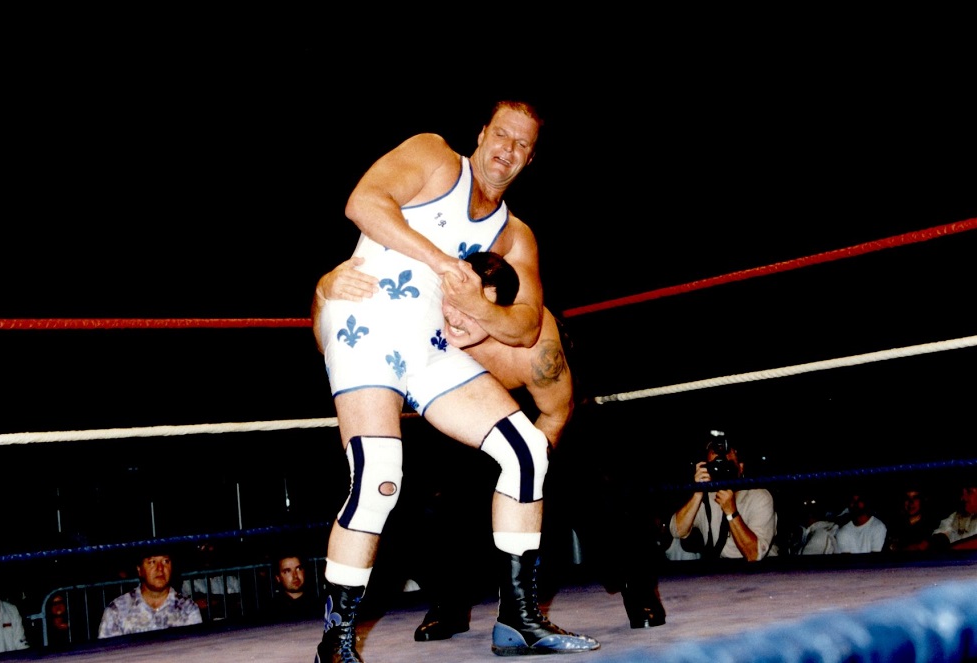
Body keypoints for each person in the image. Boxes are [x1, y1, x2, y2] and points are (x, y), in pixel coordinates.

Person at [312, 99, 598, 661]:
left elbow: (524, 325)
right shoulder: (433, 156)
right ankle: (336, 644)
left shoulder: (514, 235)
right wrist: (444, 264)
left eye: (521, 145)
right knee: (378, 478)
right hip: (365, 325)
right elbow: (362, 203)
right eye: (502, 135)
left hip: (429, 346)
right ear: (482, 133)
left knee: (526, 451)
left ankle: (517, 620)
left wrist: (479, 312)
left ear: (530, 159)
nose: (506, 151)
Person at [317, 251, 667, 638]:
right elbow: (335, 342)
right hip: (471, 418)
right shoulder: (426, 323)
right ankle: (448, 603)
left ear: (499, 308)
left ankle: (637, 587)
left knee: (593, 489)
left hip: (544, 420)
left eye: (471, 310)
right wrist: (324, 292)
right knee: (432, 501)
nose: (454, 318)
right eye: (452, 304)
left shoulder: (534, 348)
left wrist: (526, 470)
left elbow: (556, 413)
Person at [670, 430, 778, 562]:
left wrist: (731, 512)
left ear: (741, 467)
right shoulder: (706, 497)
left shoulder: (759, 496)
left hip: (761, 572)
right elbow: (677, 531)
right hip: (721, 573)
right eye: (716, 462)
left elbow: (754, 555)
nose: (722, 467)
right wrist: (697, 492)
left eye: (727, 457)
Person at [97, 548, 203, 639]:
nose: (160, 569)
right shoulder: (117, 610)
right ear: (140, 570)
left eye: (166, 561)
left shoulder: (188, 609)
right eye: (152, 562)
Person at [885, 486, 940, 553]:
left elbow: (921, 548)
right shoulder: (894, 522)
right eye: (906, 498)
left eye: (915, 497)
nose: (911, 502)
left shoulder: (932, 522)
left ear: (922, 500)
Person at [929, 481, 977, 551]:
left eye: (969, 492)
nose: (963, 498)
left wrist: (950, 550)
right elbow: (940, 534)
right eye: (962, 493)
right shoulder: (957, 515)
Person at [269, 553, 317, 622]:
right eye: (287, 571)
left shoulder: (319, 606)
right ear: (278, 578)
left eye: (298, 569)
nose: (295, 576)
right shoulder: (271, 611)